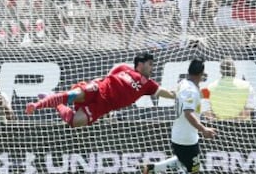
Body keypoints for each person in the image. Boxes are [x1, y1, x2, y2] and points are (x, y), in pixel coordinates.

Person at [25, 51, 176, 127]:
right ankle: (38, 105)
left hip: (104, 106)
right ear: (140, 64)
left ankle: (55, 103)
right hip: (98, 89)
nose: (152, 68)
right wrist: (97, 83)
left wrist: (179, 94)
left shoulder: (149, 85)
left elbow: (166, 93)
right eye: (150, 64)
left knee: (74, 122)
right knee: (72, 95)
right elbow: (108, 77)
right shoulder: (124, 68)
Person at [142, 57, 216, 174]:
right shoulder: (190, 90)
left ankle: (152, 169)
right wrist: (204, 129)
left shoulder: (183, 83)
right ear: (201, 74)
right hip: (186, 137)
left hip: (180, 134)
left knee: (183, 160)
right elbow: (188, 114)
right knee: (193, 169)